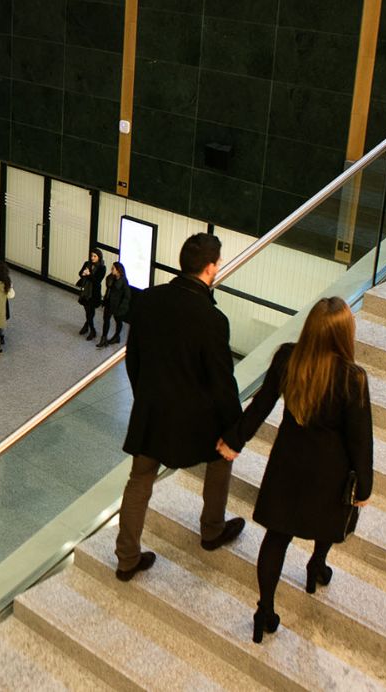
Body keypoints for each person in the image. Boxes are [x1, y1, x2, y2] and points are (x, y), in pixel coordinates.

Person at [217, 298, 374, 643]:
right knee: (327, 524)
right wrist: (364, 486)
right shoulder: (353, 378)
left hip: (287, 464)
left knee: (277, 537)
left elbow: (261, 405)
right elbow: (360, 440)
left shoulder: (288, 358)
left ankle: (265, 611)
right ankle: (316, 566)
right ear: (344, 333)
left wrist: (235, 439)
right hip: (330, 473)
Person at [115, 233, 245, 582]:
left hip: (152, 411)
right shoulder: (213, 319)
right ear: (210, 268)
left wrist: (144, 397)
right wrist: (235, 428)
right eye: (217, 262)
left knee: (139, 480)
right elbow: (221, 381)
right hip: (195, 421)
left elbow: (133, 358)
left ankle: (126, 558)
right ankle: (212, 529)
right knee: (221, 458)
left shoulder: (148, 300)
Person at [98, 261, 131, 347]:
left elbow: (127, 295)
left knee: (118, 321)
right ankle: (104, 338)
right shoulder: (111, 278)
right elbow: (108, 287)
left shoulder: (123, 281)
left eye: (113, 268)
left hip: (118, 305)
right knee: (106, 320)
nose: (111, 270)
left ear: (118, 270)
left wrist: (122, 306)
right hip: (109, 303)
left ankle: (117, 336)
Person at [77, 249, 107, 337]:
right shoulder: (87, 263)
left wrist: (89, 274)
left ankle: (92, 330)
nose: (92, 258)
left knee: (90, 311)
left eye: (95, 256)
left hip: (94, 292)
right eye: (91, 256)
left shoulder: (102, 268)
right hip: (85, 290)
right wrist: (83, 274)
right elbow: (80, 273)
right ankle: (87, 325)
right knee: (87, 310)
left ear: (99, 257)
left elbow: (97, 281)